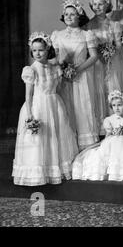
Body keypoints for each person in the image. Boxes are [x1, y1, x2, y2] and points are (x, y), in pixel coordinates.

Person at [12, 32, 78, 186]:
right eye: (34, 50)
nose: (37, 53)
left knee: (56, 135)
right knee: (40, 139)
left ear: (48, 50)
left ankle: (55, 170)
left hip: (54, 104)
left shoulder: (55, 68)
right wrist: (30, 114)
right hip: (38, 106)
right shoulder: (31, 70)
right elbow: (29, 95)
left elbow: (59, 88)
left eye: (41, 50)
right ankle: (39, 173)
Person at [72, 90, 123, 181]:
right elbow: (108, 136)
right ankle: (110, 171)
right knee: (107, 148)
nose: (116, 108)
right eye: (114, 106)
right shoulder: (110, 120)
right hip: (113, 143)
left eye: (119, 105)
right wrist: (104, 143)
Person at [51, 0, 99, 150]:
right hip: (64, 78)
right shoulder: (57, 35)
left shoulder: (87, 34)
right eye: (66, 14)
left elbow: (94, 56)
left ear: (79, 16)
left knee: (82, 107)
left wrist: (77, 69)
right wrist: (62, 69)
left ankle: (86, 146)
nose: (69, 17)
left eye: (72, 14)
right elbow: (55, 57)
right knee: (66, 107)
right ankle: (69, 146)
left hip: (82, 76)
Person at [86, 0, 123, 133]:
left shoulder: (114, 24)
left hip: (111, 62)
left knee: (112, 89)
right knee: (98, 91)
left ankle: (116, 124)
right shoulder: (88, 26)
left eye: (100, 4)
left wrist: (111, 53)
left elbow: (118, 46)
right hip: (96, 64)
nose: (97, 7)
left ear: (106, 5)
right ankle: (101, 128)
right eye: (94, 4)